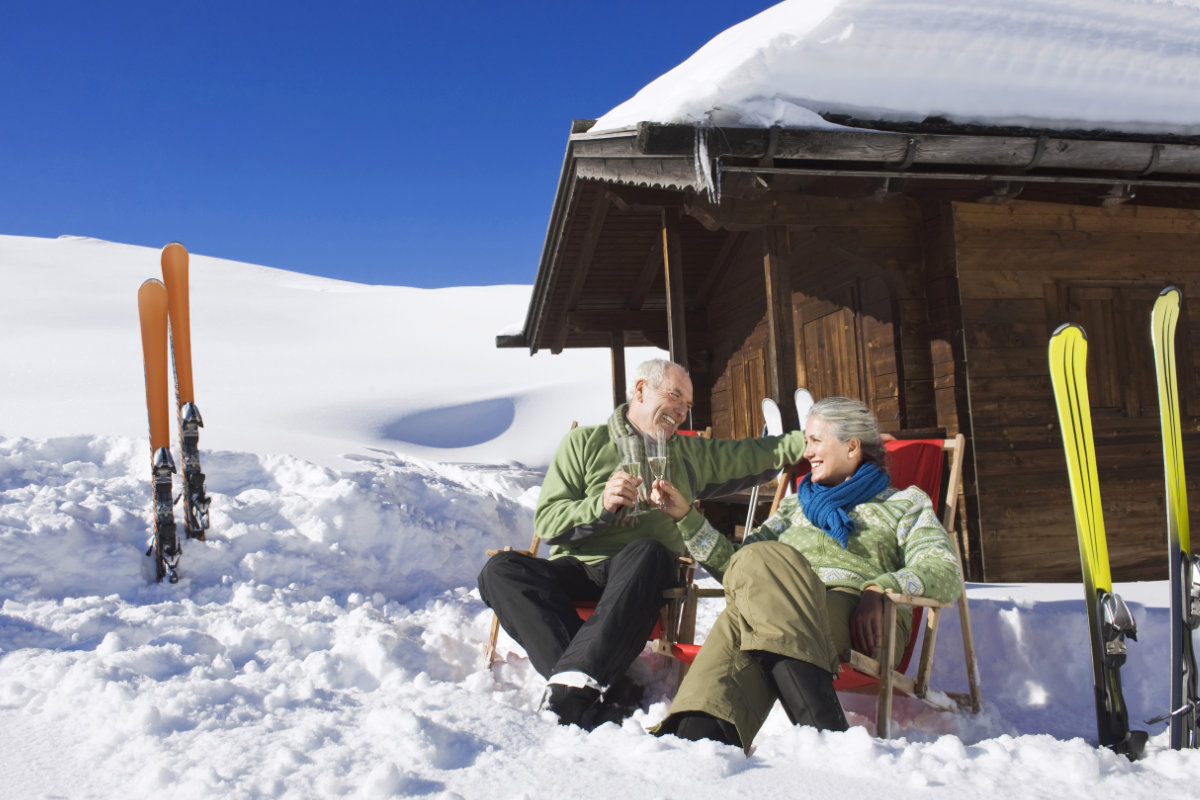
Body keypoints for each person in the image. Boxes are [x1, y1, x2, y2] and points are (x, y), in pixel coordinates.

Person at [478, 359, 807, 728]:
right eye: (675, 396)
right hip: (579, 566)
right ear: (639, 391)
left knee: (648, 550)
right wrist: (600, 505)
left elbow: (748, 456)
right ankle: (597, 681)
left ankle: (575, 686)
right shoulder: (584, 443)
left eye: (688, 405)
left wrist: (809, 439)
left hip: (643, 572)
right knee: (500, 570)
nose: (682, 411)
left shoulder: (687, 454)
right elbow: (549, 522)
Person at [648, 396, 963, 750]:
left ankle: (693, 740)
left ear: (852, 446)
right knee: (756, 576)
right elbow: (738, 567)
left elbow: (944, 570)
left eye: (814, 440)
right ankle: (811, 729)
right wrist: (686, 518)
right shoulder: (794, 507)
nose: (806, 451)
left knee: (747, 614)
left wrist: (881, 587)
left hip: (859, 616)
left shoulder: (903, 504)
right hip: (791, 610)